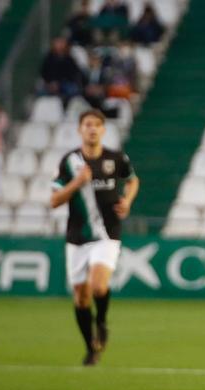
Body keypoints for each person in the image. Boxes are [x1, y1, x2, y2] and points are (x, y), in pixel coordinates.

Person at [50, 109, 139, 366]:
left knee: (99, 286)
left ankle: (101, 321)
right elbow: (54, 200)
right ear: (80, 130)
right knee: (80, 297)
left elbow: (132, 181)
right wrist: (76, 183)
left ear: (103, 130)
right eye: (87, 124)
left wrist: (128, 201)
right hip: (77, 236)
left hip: (107, 234)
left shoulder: (116, 158)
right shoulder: (69, 162)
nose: (92, 129)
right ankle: (91, 347)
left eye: (97, 125)